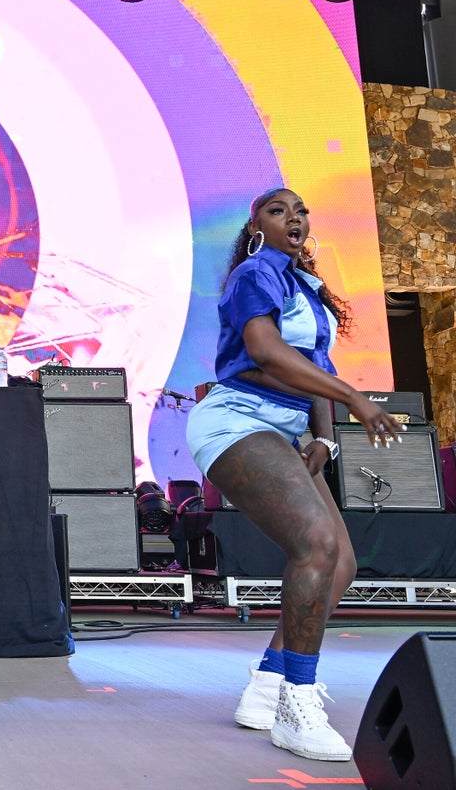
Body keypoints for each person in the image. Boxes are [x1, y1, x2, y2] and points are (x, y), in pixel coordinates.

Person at [185, 187, 403, 762]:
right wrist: (357, 399)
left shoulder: (306, 288)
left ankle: (266, 686)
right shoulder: (255, 274)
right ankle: (296, 703)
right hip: (234, 420)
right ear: (257, 228)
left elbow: (316, 371)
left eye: (301, 210)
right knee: (314, 544)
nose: (294, 218)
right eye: (278, 211)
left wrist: (325, 438)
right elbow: (267, 350)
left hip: (279, 430)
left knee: (342, 563)